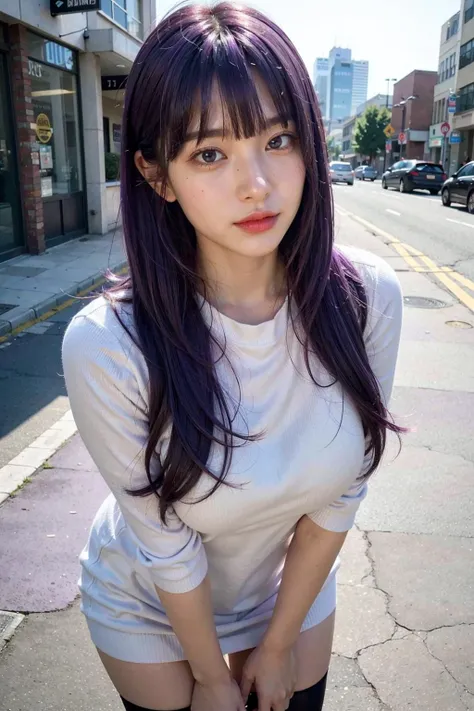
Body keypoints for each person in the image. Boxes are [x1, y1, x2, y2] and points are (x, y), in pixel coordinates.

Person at [62, 4, 404, 711]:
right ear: (158, 177)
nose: (257, 184)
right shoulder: (108, 344)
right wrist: (212, 677)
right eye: (210, 154)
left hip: (287, 586)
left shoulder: (366, 297)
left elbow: (343, 492)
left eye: (279, 139)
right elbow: (166, 544)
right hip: (150, 599)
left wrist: (276, 644)